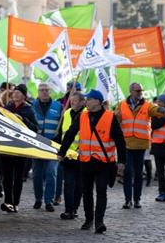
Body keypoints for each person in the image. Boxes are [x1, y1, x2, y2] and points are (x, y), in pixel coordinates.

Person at [57, 89, 126, 234]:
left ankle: (99, 222)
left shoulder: (110, 117)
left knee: (101, 192)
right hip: (86, 161)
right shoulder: (82, 116)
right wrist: (62, 152)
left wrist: (122, 161)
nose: (86, 101)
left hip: (103, 163)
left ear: (97, 101)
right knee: (87, 192)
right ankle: (89, 219)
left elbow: (120, 141)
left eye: (89, 99)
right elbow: (70, 133)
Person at [116, 82, 165, 208]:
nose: (140, 92)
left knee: (139, 174)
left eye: (141, 90)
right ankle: (128, 200)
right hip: (127, 144)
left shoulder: (147, 105)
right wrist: (117, 116)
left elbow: (156, 110)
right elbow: (116, 120)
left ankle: (137, 200)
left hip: (141, 144)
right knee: (127, 172)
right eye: (137, 90)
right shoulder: (121, 105)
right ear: (131, 92)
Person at [0, 84, 37, 213]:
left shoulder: (29, 109)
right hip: (8, 146)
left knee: (18, 177)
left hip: (21, 148)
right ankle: (8, 201)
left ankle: (16, 202)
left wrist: (24, 120)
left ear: (24, 95)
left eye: (18, 92)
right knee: (7, 177)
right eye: (14, 92)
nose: (15, 94)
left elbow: (35, 128)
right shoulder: (7, 107)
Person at [55, 87, 86, 220]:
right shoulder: (66, 113)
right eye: (71, 100)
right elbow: (63, 134)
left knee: (79, 184)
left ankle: (75, 208)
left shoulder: (87, 114)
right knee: (68, 183)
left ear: (82, 102)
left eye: (75, 101)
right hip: (68, 154)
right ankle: (68, 210)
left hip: (82, 154)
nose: (72, 102)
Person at [31, 82, 62, 212]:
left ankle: (48, 201)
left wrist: (59, 137)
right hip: (36, 144)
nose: (44, 92)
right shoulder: (32, 105)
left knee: (51, 173)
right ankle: (38, 199)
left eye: (46, 90)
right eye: (41, 90)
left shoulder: (59, 106)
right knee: (37, 174)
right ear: (38, 92)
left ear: (50, 92)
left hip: (52, 144)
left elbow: (63, 124)